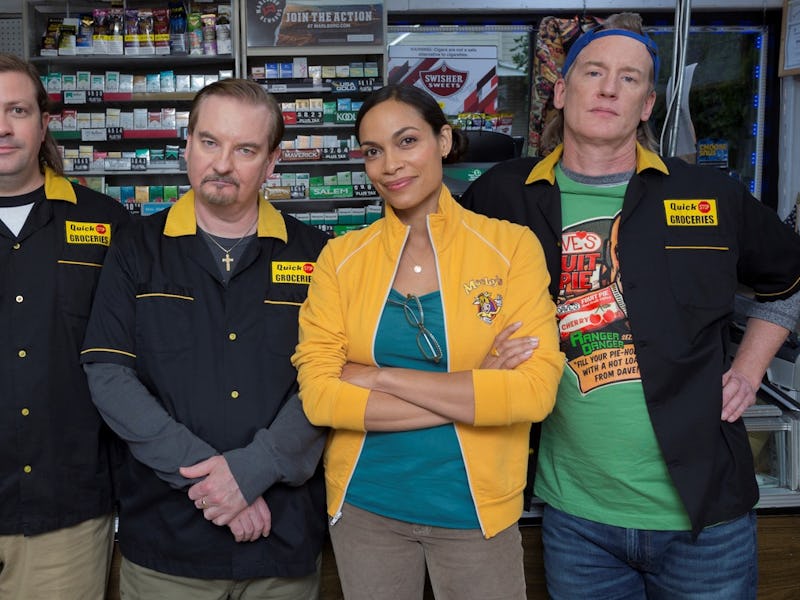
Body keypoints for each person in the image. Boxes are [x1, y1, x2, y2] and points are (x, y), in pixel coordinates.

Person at [460, 12, 800, 599]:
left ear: (647, 106)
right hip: (575, 517)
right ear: (561, 92)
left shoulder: (708, 195)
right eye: (594, 72)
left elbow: (788, 278)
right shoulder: (500, 195)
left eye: (630, 78)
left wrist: (748, 370)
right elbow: (448, 292)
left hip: (706, 518)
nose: (609, 88)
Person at [291, 83, 564, 600]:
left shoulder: (510, 248)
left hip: (475, 510)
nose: (390, 165)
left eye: (407, 141)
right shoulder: (340, 259)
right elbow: (322, 399)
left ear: (443, 140)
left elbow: (533, 394)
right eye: (373, 151)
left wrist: (378, 377)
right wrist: (474, 390)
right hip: (367, 508)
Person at [80, 78, 329, 598]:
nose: (222, 164)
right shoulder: (134, 249)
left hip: (281, 537)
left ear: (272, 162)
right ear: (186, 145)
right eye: (210, 142)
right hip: (168, 539)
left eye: (245, 150)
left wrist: (253, 471)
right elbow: (110, 377)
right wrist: (216, 483)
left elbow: (329, 380)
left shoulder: (319, 255)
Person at [0, 54, 130, 598]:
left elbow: (134, 361)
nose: (3, 128)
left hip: (65, 513)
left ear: (44, 122)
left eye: (17, 110)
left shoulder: (105, 223)